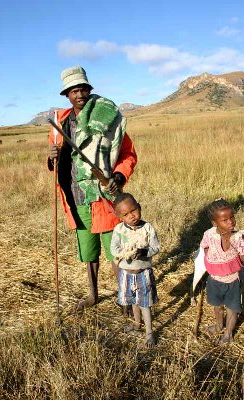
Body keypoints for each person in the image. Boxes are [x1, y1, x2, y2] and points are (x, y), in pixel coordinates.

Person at [48, 66, 137, 312]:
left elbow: (128, 153)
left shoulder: (107, 119)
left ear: (89, 90)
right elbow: (56, 164)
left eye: (83, 88)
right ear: (66, 94)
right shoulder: (60, 125)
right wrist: (51, 157)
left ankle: (125, 297)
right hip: (75, 197)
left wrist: (118, 175)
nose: (79, 94)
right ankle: (93, 295)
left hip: (104, 196)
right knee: (88, 252)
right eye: (74, 90)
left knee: (116, 251)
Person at [200, 198, 244, 344]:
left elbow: (242, 258)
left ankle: (228, 334)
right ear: (215, 223)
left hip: (232, 281)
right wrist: (213, 260)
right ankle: (218, 325)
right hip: (214, 281)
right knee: (217, 307)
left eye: (232, 217)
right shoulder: (209, 234)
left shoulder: (237, 237)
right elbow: (204, 246)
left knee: (232, 310)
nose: (231, 222)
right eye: (225, 220)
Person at [110, 193, 159, 347]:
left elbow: (156, 247)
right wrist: (124, 254)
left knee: (145, 303)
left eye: (133, 210)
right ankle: (137, 325)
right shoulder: (118, 230)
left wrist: (143, 252)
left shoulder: (147, 228)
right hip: (126, 274)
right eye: (126, 214)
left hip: (143, 273)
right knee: (133, 302)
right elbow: (114, 248)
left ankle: (149, 332)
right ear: (120, 217)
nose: (131, 216)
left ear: (139, 207)